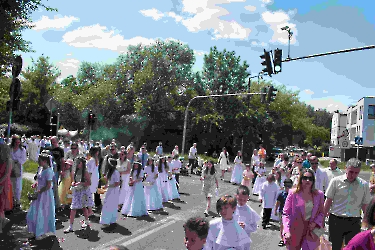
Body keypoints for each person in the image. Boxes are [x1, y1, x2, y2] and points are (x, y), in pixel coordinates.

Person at [324, 158, 372, 250]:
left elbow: (365, 205)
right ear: (346, 168)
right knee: (336, 246)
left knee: (353, 247)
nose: (353, 175)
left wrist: (368, 222)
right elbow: (328, 201)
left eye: (356, 173)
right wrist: (322, 219)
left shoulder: (363, 185)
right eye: (351, 172)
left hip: (354, 221)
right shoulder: (335, 181)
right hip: (336, 220)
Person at [283, 168, 325, 250]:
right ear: (301, 179)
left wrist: (315, 223)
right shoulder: (293, 193)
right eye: (305, 178)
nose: (308, 180)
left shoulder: (319, 194)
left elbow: (321, 213)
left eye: (310, 179)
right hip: (294, 229)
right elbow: (286, 214)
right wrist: (286, 231)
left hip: (311, 230)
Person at [26, 151, 56, 240]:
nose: (38, 162)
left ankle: (41, 232)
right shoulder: (41, 168)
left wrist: (39, 191)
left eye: (40, 160)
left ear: (45, 161)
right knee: (33, 212)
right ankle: (34, 230)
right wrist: (35, 184)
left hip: (45, 194)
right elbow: (39, 179)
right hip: (39, 192)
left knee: (42, 212)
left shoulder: (49, 171)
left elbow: (48, 185)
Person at [64, 156, 93, 233]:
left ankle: (87, 222)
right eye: (76, 162)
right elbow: (74, 180)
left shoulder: (85, 172)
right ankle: (70, 226)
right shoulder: (75, 171)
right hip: (77, 191)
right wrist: (73, 183)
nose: (77, 164)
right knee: (73, 208)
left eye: (78, 163)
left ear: (82, 163)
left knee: (83, 208)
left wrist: (81, 183)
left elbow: (89, 183)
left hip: (83, 191)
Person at [100, 158, 120, 228]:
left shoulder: (116, 172)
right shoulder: (110, 171)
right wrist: (105, 186)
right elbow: (109, 181)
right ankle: (108, 220)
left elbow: (117, 183)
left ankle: (108, 220)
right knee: (108, 204)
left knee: (110, 204)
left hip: (114, 191)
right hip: (110, 190)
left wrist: (108, 186)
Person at [10, 134, 27, 210]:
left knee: (17, 186)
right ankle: (10, 201)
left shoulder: (22, 150)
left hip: (18, 168)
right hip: (9, 168)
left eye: (18, 142)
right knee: (10, 185)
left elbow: (23, 160)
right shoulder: (9, 148)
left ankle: (17, 202)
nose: (17, 144)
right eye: (16, 142)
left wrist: (17, 161)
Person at [274, 178, 293, 247]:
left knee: (290, 226)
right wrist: (275, 210)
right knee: (282, 226)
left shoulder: (293, 194)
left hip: (291, 213)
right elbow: (278, 203)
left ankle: (289, 238)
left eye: (289, 186)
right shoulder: (281, 194)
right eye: (286, 186)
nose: (288, 188)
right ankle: (282, 239)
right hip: (282, 212)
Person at [0, 144, 12, 233]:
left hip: (3, 183)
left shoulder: (8, 160)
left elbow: (6, 174)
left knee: (1, 205)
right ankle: (3, 221)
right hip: (3, 182)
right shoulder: (5, 160)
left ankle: (3, 223)